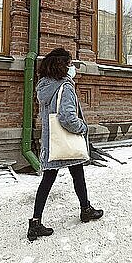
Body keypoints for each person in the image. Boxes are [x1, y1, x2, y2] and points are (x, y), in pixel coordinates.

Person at [27, 47, 103, 242]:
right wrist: (83, 127)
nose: (72, 68)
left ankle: (37, 222)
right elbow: (67, 117)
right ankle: (84, 210)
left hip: (53, 141)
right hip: (67, 140)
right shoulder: (65, 86)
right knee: (76, 176)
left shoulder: (44, 86)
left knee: (52, 179)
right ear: (62, 65)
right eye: (70, 64)